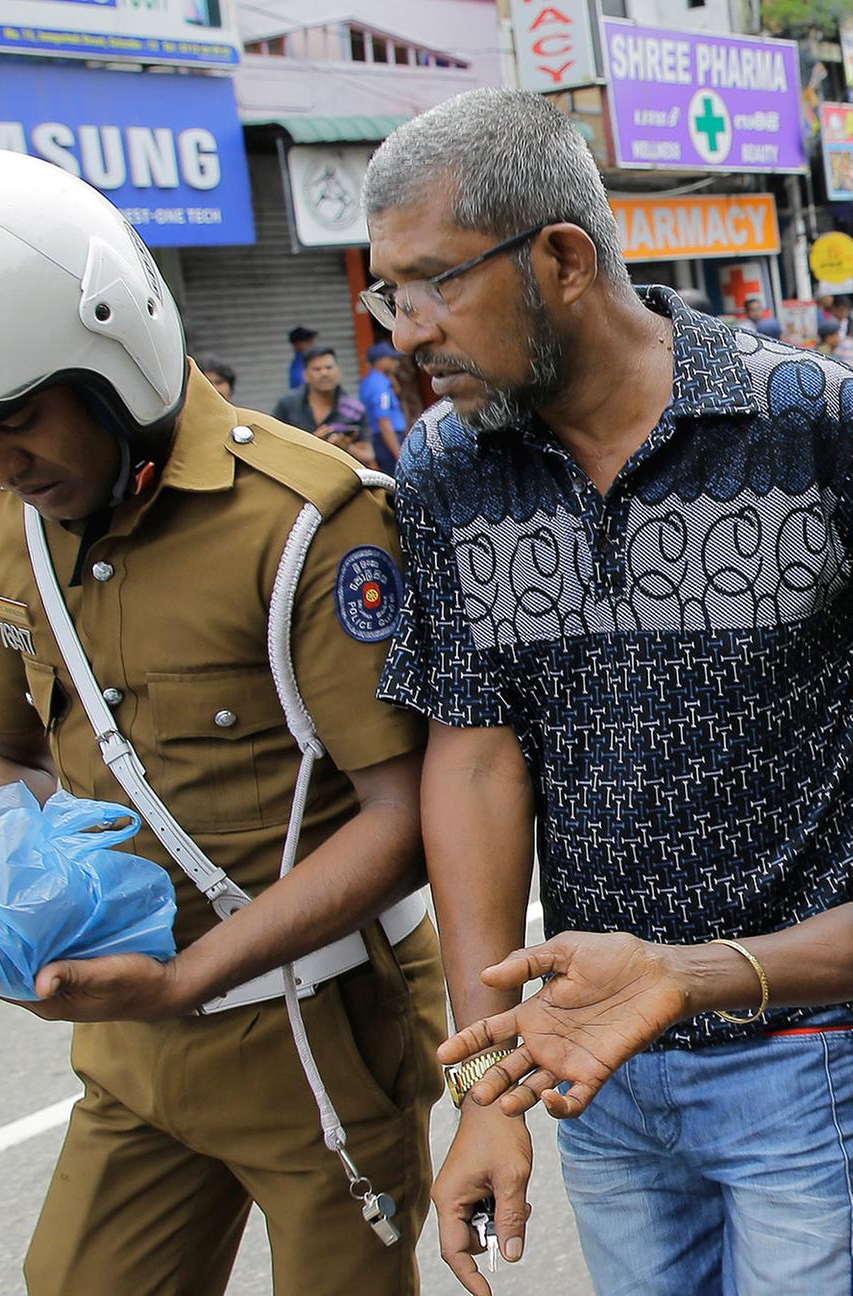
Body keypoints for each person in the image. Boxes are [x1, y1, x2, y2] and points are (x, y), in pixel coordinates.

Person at [0, 148, 445, 1296]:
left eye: (15, 417)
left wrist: (188, 975)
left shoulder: (311, 523)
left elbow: (405, 813)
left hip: (320, 1027)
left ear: (116, 359)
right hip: (132, 1037)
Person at [361, 87, 853, 1296]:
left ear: (564, 260)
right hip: (601, 1072)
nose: (404, 331)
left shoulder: (809, 424)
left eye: (430, 286)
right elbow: (475, 756)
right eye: (387, 295)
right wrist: (486, 1083)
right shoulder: (445, 467)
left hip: (811, 1054)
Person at [438, 903, 853, 1121]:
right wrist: (484, 1108)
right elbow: (478, 765)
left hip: (805, 1052)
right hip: (593, 1080)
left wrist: (682, 975)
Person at [273, 345, 373, 465]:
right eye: (317, 369)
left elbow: (369, 457)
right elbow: (272, 448)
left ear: (338, 371)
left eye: (329, 367)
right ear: (306, 375)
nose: (324, 373)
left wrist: (345, 448)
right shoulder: (287, 405)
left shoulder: (354, 410)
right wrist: (313, 444)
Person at [359, 340, 408, 473]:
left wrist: (389, 374)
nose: (396, 363)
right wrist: (400, 455)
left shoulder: (372, 380)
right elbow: (384, 422)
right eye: (391, 359)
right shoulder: (379, 386)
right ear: (379, 361)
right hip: (388, 440)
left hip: (383, 439)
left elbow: (396, 391)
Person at [287, 324, 318, 388]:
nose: (311, 344)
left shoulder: (310, 360)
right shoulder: (300, 366)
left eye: (311, 341)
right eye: (307, 341)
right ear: (297, 344)